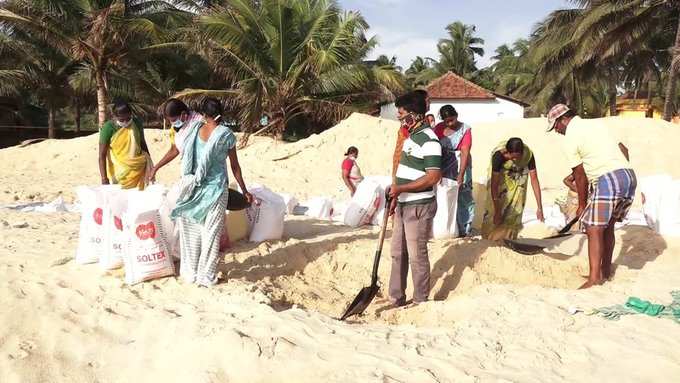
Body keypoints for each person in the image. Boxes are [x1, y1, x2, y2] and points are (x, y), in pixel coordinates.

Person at [548, 103, 636, 289]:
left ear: (562, 120)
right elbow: (623, 148)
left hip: (609, 178)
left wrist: (581, 204)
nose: (556, 131)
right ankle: (604, 271)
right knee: (607, 226)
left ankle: (595, 278)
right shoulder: (596, 124)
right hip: (628, 176)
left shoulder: (570, 137)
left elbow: (579, 175)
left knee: (593, 228)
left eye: (555, 126)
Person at [171, 98, 254, 286]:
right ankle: (206, 275)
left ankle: (190, 273)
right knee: (211, 234)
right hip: (216, 191)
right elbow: (234, 166)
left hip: (194, 188)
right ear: (221, 113)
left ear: (204, 114)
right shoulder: (226, 135)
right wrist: (244, 190)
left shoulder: (194, 131)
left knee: (194, 231)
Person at [388, 91, 442, 306]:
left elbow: (433, 176)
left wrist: (402, 188)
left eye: (402, 115)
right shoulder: (411, 137)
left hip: (419, 206)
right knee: (397, 253)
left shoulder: (430, 140)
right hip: (403, 204)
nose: (400, 120)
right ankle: (396, 297)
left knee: (416, 255)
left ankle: (420, 299)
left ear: (414, 115)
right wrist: (396, 194)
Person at [481, 137, 544, 240]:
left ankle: (509, 238)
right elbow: (494, 184)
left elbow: (534, 179)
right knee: (494, 211)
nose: (514, 160)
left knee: (515, 208)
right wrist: (497, 210)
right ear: (507, 152)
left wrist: (539, 208)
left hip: (519, 176)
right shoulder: (499, 156)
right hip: (502, 176)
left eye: (517, 157)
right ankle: (490, 238)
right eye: (512, 157)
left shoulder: (528, 156)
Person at [433, 105, 475, 236]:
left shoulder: (465, 129)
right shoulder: (438, 128)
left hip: (461, 163)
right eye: (447, 121)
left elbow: (464, 151)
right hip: (442, 162)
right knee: (442, 193)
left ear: (456, 115)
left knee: (463, 194)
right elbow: (434, 148)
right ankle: (443, 227)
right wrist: (437, 169)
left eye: (452, 120)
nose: (450, 123)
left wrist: (461, 174)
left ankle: (464, 228)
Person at [98, 100, 152, 190]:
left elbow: (142, 143)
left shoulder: (137, 123)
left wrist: (150, 163)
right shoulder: (108, 128)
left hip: (138, 168)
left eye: (128, 118)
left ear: (131, 114)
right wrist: (104, 178)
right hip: (119, 170)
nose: (126, 122)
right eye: (121, 120)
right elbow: (102, 155)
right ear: (114, 117)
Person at [149, 98, 203, 181]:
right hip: (188, 173)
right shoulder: (174, 129)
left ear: (183, 114)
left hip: (202, 171)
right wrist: (156, 167)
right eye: (170, 121)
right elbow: (175, 149)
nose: (172, 123)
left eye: (173, 120)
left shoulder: (199, 123)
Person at [392, 89, 430, 181]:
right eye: (427, 101)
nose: (429, 105)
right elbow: (400, 153)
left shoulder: (425, 122)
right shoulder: (408, 125)